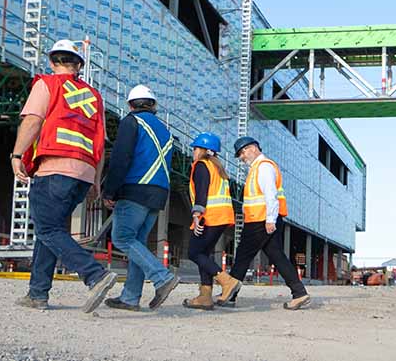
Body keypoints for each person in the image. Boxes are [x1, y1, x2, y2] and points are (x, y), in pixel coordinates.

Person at [10, 39, 117, 313]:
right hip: (83, 173)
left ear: (52, 61)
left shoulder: (47, 84)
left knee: (47, 229)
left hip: (53, 168)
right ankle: (37, 293)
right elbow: (100, 141)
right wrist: (95, 180)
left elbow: (33, 120)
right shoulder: (94, 97)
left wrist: (16, 155)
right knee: (51, 230)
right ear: (79, 65)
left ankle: (95, 275)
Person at [101, 84, 180, 311]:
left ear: (130, 105)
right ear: (153, 105)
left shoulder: (131, 122)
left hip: (135, 189)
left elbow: (121, 158)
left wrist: (110, 191)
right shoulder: (165, 131)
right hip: (158, 194)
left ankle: (162, 277)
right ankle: (130, 297)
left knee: (123, 238)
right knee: (138, 243)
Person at [221, 136, 310, 310]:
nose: (241, 157)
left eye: (242, 152)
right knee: (276, 256)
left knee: (242, 256)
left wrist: (270, 219)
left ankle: (229, 295)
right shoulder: (258, 168)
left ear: (253, 148)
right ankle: (299, 293)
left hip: (261, 220)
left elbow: (271, 195)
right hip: (263, 219)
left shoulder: (264, 167)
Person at [181, 132, 244, 310]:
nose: (193, 151)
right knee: (204, 255)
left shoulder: (201, 165)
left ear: (204, 150)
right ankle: (205, 296)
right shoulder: (218, 167)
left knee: (194, 253)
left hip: (210, 217)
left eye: (195, 148)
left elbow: (202, 192)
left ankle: (227, 281)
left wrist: (196, 215)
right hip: (222, 217)